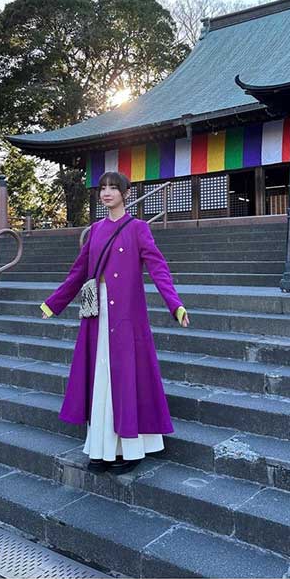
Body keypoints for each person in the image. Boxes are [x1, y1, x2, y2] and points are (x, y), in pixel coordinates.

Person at [40, 171, 189, 475]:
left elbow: (159, 268)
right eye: (103, 188)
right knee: (101, 379)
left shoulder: (138, 229)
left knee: (124, 378)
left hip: (126, 317)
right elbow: (78, 272)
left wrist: (175, 304)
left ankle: (130, 450)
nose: (106, 192)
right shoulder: (94, 230)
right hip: (97, 316)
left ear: (125, 193)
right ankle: (101, 449)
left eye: (113, 188)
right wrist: (53, 303)